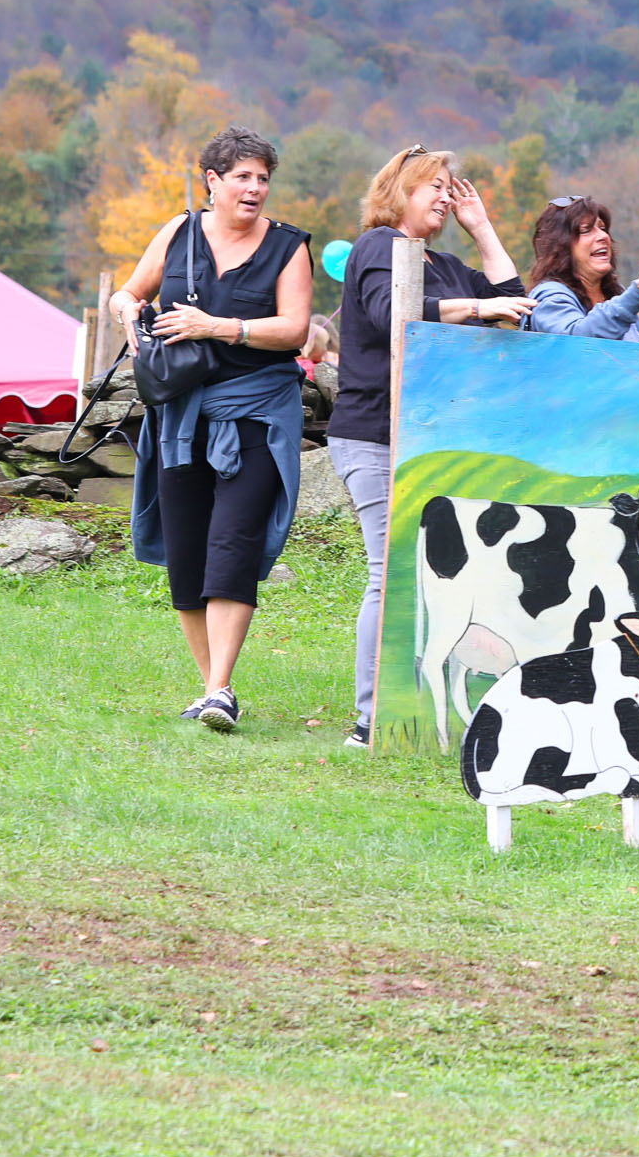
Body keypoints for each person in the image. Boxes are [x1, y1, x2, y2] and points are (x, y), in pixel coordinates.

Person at [324, 147, 532, 748]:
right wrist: (478, 307)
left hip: (435, 442)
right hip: (374, 436)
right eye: (433, 186)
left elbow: (513, 302)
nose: (445, 195)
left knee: (442, 578)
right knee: (388, 571)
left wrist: (481, 228)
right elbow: (395, 313)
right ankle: (370, 720)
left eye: (449, 186)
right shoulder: (378, 246)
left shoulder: (447, 265)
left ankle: (426, 707)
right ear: (400, 191)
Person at [107, 128, 313, 732]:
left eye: (263, 179)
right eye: (242, 177)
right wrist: (128, 314)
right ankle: (211, 687)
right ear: (213, 181)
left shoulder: (288, 247)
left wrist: (219, 327)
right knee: (188, 551)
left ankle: (221, 687)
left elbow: (295, 329)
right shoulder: (177, 232)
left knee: (233, 542)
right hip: (180, 415)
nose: (254, 188)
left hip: (256, 412)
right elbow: (129, 292)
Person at [524, 195, 639, 340]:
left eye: (602, 228)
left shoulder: (616, 293)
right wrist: (638, 294)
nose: (603, 236)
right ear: (560, 246)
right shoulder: (549, 297)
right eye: (586, 230)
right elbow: (577, 342)